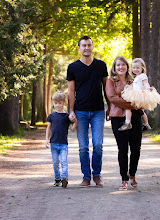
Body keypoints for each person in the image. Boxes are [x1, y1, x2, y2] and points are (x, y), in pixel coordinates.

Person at [66, 36, 109, 187]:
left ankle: (96, 175)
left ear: (92, 47)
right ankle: (86, 177)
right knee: (83, 147)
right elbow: (71, 92)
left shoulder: (101, 65)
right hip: (80, 112)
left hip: (98, 111)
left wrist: (109, 107)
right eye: (83, 45)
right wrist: (71, 111)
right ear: (79, 48)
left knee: (98, 144)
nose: (86, 48)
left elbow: (106, 88)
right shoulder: (73, 67)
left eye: (89, 45)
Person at [105, 56, 143, 190]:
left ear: (127, 67)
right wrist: (132, 104)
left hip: (135, 117)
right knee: (122, 149)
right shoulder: (110, 81)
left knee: (136, 148)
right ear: (114, 68)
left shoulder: (133, 81)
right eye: (118, 65)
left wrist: (138, 103)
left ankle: (132, 174)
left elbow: (141, 96)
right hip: (118, 118)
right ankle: (124, 179)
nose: (121, 67)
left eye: (123, 65)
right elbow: (112, 98)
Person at [119, 58, 160, 131]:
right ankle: (146, 124)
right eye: (134, 68)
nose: (135, 69)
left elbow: (146, 83)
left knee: (128, 107)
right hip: (136, 94)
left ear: (142, 68)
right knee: (141, 111)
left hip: (139, 95)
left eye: (137, 68)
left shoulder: (143, 75)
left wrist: (148, 88)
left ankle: (128, 123)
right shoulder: (137, 76)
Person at [45, 91, 77, 188]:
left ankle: (65, 178)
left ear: (64, 103)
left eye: (60, 103)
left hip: (63, 144)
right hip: (53, 143)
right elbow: (48, 128)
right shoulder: (51, 116)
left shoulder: (67, 116)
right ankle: (57, 179)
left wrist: (75, 122)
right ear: (53, 103)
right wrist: (47, 139)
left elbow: (72, 129)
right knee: (55, 162)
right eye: (55, 103)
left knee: (63, 161)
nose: (57, 105)